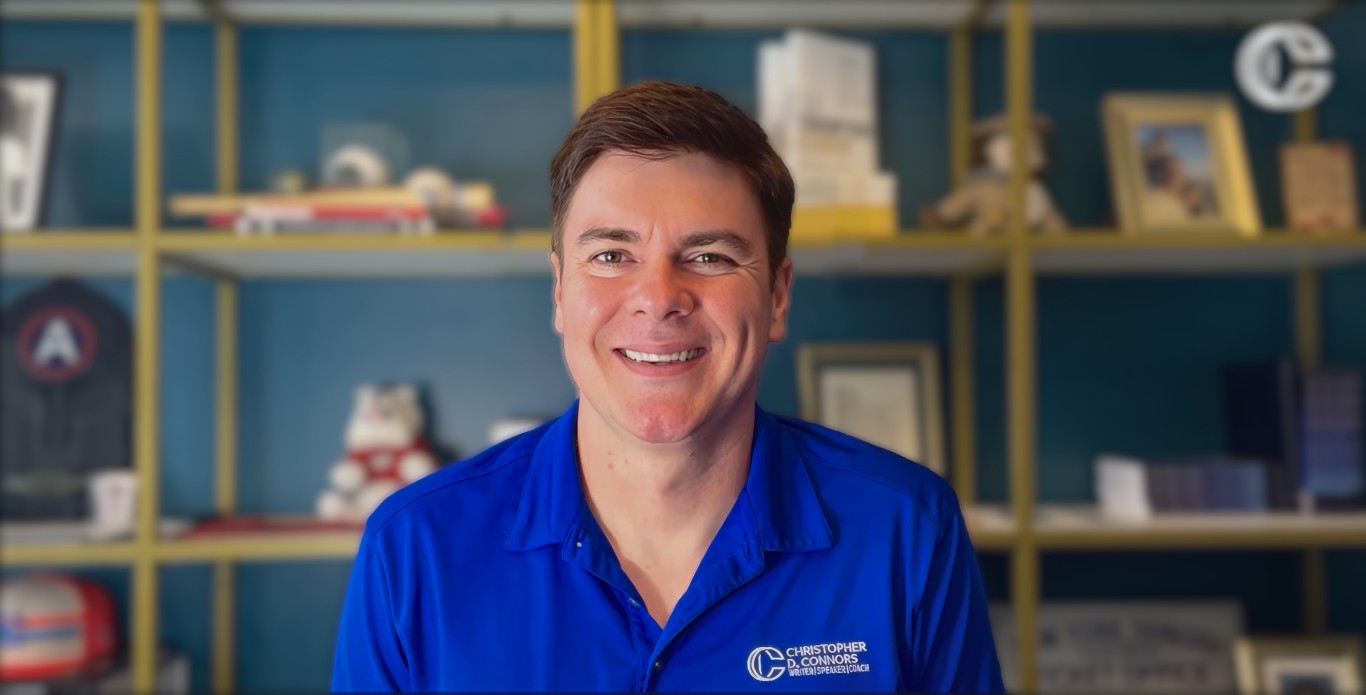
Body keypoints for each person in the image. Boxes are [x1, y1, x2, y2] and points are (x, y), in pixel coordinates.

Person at [332, 81, 1004, 692]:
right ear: (561, 290)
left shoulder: (907, 530)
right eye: (612, 255)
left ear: (776, 296)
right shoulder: (414, 548)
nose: (658, 298)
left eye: (709, 256)